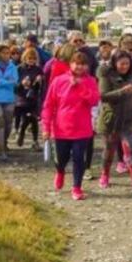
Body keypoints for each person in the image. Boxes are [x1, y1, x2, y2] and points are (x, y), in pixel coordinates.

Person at [42, 51, 101, 200]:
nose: (79, 67)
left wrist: (81, 88)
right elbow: (48, 105)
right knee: (62, 157)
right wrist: (46, 127)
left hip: (82, 128)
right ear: (70, 64)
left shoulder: (91, 81)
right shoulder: (58, 81)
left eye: (83, 64)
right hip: (62, 127)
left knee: (79, 157)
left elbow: (94, 100)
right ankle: (60, 171)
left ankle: (77, 187)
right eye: (76, 63)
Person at [97, 49, 132, 193]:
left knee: (129, 150)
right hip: (111, 119)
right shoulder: (106, 75)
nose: (124, 66)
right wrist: (122, 91)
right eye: (121, 64)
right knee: (109, 150)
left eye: (127, 63)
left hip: (130, 119)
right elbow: (103, 95)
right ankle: (105, 174)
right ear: (115, 63)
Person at [14, 48, 43, 150]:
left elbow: (40, 87)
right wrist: (22, 84)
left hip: (33, 98)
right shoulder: (19, 69)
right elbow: (15, 86)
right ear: (25, 58)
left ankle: (34, 140)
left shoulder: (38, 69)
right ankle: (21, 133)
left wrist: (39, 81)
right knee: (27, 117)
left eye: (34, 58)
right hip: (21, 99)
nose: (32, 60)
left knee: (33, 118)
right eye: (30, 58)